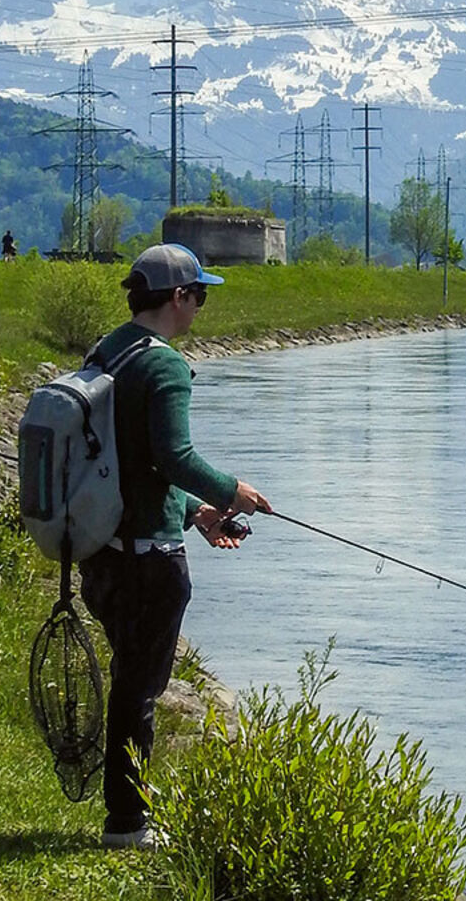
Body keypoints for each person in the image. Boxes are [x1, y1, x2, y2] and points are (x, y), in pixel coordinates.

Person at [78, 242, 270, 849]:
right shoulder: (164, 366)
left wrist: (198, 513)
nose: (201, 308)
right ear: (178, 297)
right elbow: (173, 457)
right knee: (140, 692)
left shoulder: (107, 350)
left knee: (130, 680)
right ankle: (128, 825)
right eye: (200, 296)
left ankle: (127, 817)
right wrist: (232, 491)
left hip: (101, 550)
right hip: (149, 563)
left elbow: (128, 462)